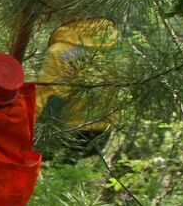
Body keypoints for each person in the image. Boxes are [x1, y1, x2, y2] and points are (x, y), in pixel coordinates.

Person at [35, 18, 120, 160]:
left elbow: (54, 94)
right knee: (68, 176)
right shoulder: (113, 48)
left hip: (66, 131)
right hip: (102, 131)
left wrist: (42, 141)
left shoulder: (61, 51)